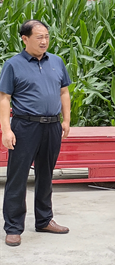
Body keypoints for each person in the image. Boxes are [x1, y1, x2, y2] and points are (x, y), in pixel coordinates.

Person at [0, 20, 71, 247]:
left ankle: (44, 220)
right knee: (17, 177)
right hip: (25, 126)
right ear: (25, 39)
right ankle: (13, 227)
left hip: (52, 126)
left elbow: (64, 91)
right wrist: (6, 130)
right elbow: (4, 98)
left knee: (46, 174)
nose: (44, 41)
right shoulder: (13, 65)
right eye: (39, 37)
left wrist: (66, 120)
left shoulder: (56, 62)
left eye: (47, 37)